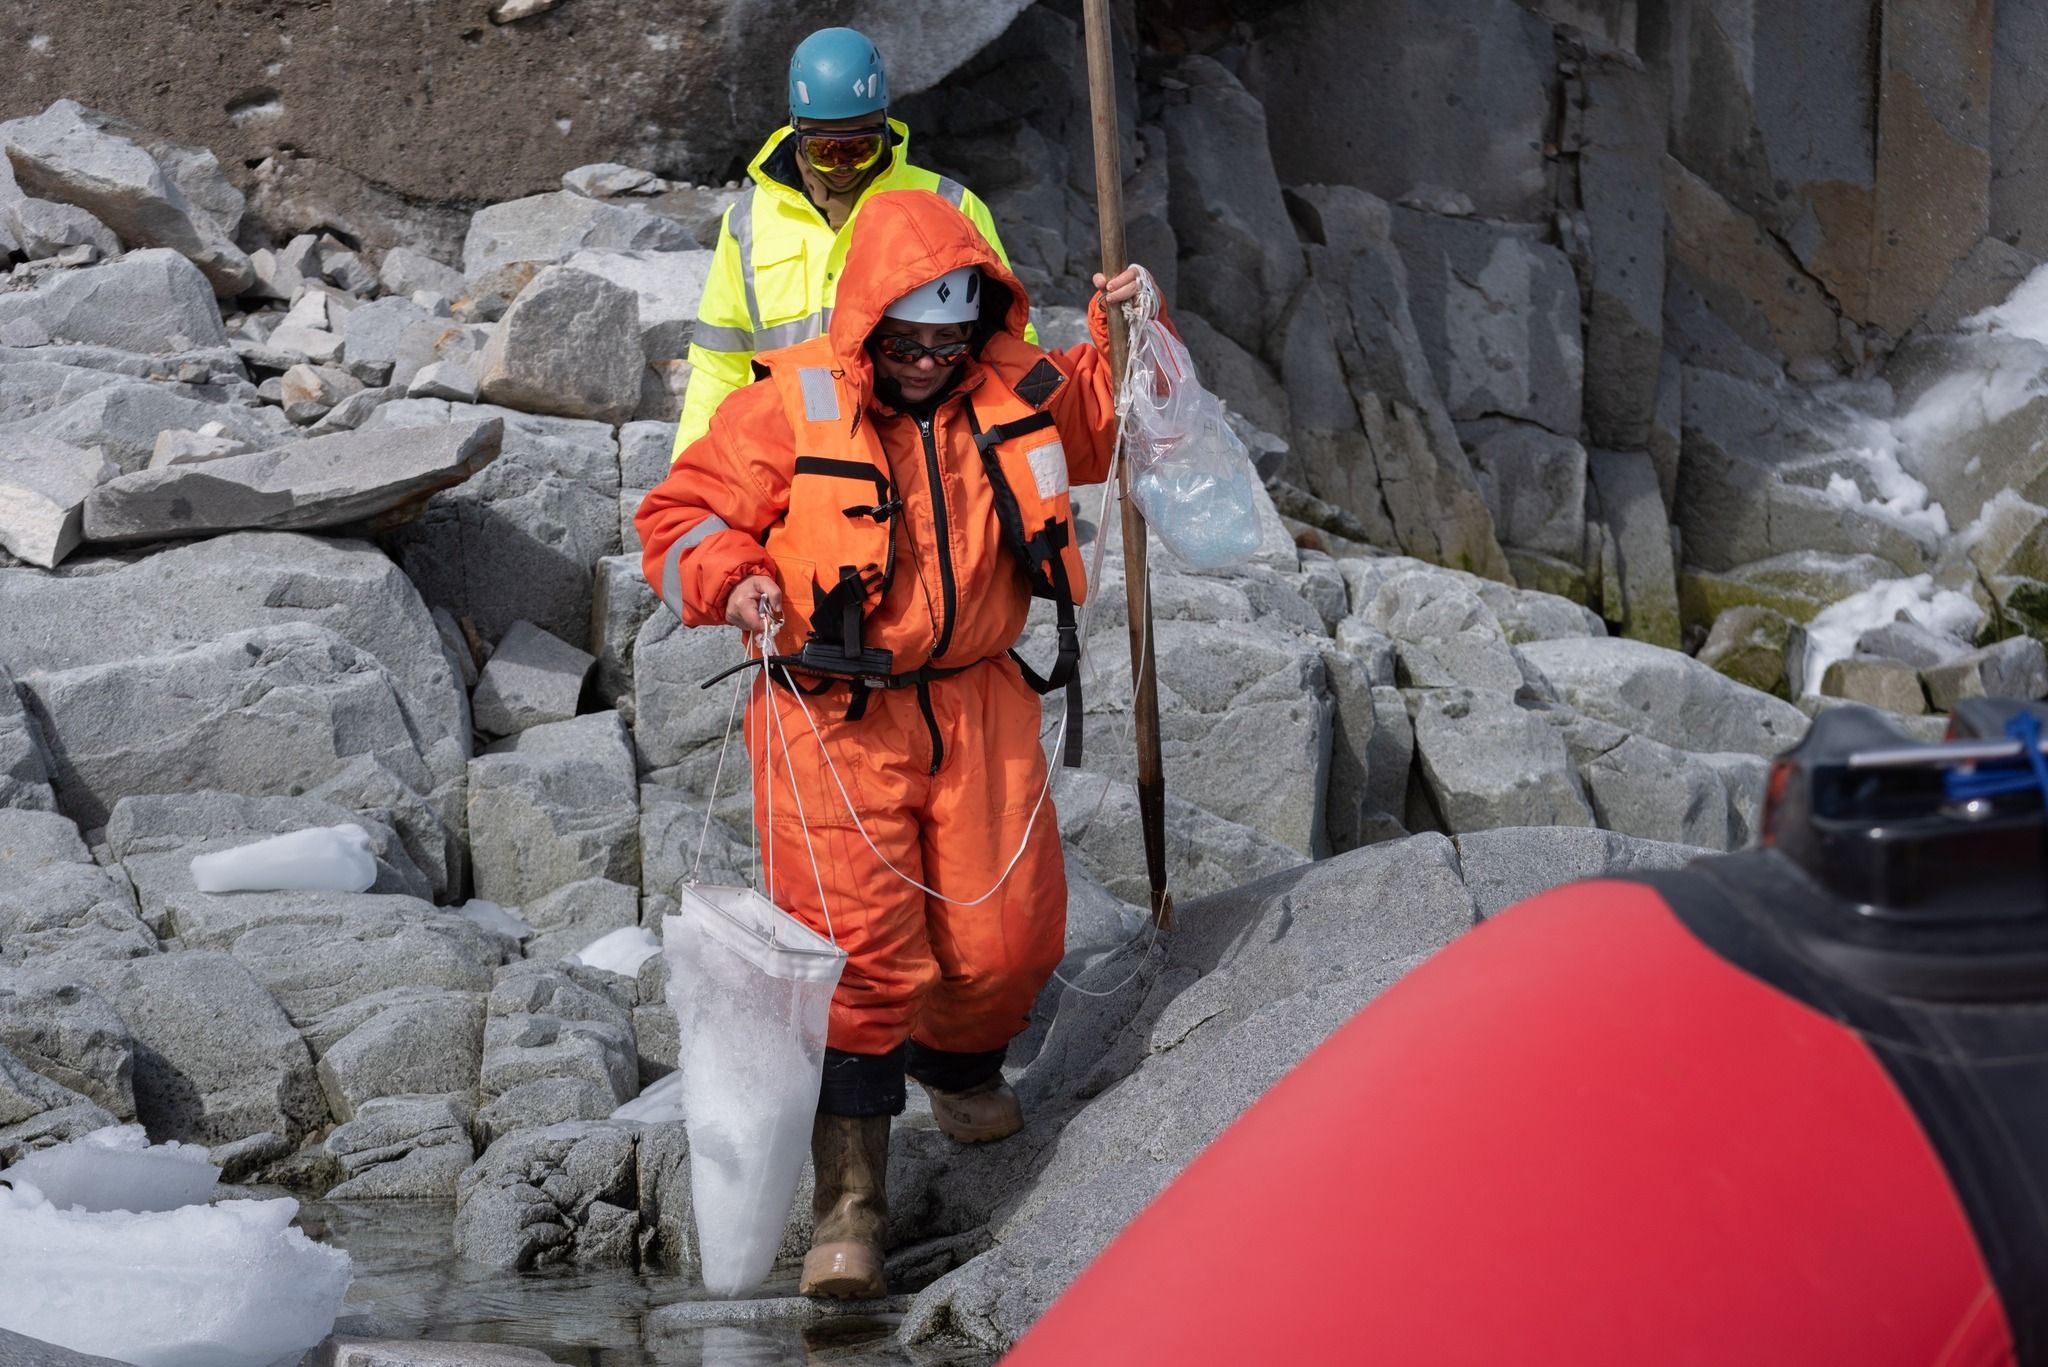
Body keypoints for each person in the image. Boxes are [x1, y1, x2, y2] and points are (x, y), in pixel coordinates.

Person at [637, 186, 1162, 1299]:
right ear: (869, 324)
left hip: (979, 698)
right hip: (829, 717)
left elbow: (1105, 420)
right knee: (861, 960)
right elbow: (679, 518)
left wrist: (1122, 330)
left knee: (1010, 938)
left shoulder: (1015, 382)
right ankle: (851, 1209)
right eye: (907, 343)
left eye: (948, 344)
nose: (928, 363)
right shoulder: (786, 406)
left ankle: (957, 1063)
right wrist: (734, 581)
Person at [671, 25, 1032, 463]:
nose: (843, 165)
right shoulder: (748, 221)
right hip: (788, 453)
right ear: (796, 132)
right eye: (824, 151)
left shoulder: (950, 205)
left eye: (859, 148)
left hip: (917, 452)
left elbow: (1009, 342)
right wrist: (689, 473)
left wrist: (1019, 452)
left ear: (885, 128)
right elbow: (719, 364)